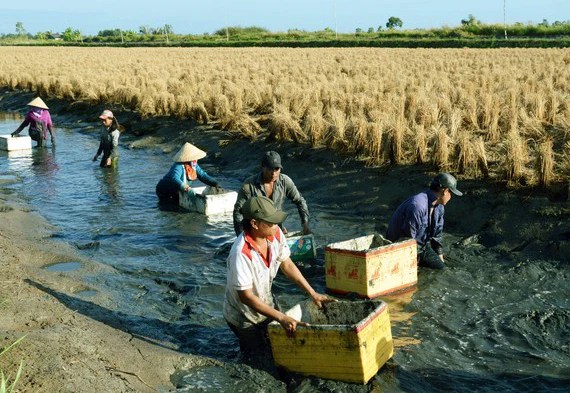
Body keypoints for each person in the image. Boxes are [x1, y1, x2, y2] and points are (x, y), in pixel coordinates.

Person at [224, 196, 333, 353]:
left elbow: (287, 264)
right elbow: (246, 297)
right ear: (254, 223)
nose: (276, 225)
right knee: (258, 356)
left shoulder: (275, 234)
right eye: (271, 222)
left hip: (266, 302)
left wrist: (312, 293)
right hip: (243, 315)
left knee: (280, 347)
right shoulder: (240, 253)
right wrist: (281, 317)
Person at [385, 173, 463, 270]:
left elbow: (437, 235)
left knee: (442, 269)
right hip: (398, 248)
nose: (451, 197)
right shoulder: (417, 205)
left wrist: (440, 258)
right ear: (445, 191)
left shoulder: (439, 207)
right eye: (451, 193)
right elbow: (407, 238)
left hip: (421, 247)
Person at [233, 151, 311, 236]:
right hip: (256, 229)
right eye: (269, 169)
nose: (273, 173)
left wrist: (305, 224)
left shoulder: (285, 181)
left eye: (276, 169)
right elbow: (238, 212)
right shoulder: (249, 185)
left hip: (276, 227)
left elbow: (300, 201)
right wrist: (241, 236)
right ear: (263, 167)